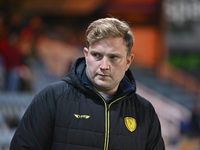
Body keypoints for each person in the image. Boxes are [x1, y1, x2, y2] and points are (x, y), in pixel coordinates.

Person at [10, 17, 165, 150]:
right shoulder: (51, 99)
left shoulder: (145, 112)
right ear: (86, 55)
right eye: (97, 55)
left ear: (128, 61)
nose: (104, 66)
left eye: (113, 57)